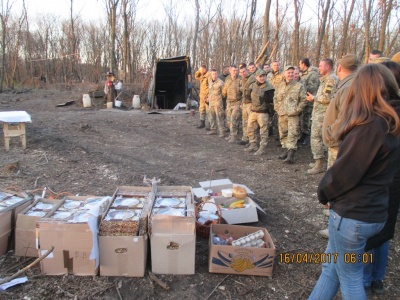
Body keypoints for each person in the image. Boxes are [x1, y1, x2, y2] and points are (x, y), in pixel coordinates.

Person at [308, 63, 400, 300]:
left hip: (354, 217)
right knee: (331, 269)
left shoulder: (371, 126)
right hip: (374, 210)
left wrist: (325, 193)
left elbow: (344, 174)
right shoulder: (392, 121)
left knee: (350, 277)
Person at [363, 61, 400, 295]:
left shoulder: (379, 117)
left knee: (369, 232)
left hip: (380, 182)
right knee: (384, 230)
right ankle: (377, 278)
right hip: (394, 182)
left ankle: (366, 279)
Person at [319, 54, 360, 238]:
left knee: (338, 182)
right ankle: (334, 211)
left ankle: (336, 224)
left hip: (339, 142)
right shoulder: (351, 84)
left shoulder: (349, 86)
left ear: (340, 68)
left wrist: (330, 134)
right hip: (339, 141)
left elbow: (344, 118)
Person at [306, 59, 339, 174]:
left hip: (323, 115)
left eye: (320, 66)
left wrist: (313, 98)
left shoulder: (331, 80)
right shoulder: (326, 79)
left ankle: (320, 163)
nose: (318, 68)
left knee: (317, 137)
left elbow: (327, 98)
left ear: (328, 67)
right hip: (320, 113)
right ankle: (319, 161)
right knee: (318, 138)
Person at [274, 66, 307, 163]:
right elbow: (275, 98)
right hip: (282, 114)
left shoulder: (299, 86)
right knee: (283, 133)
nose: (290, 74)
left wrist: (298, 110)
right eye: (288, 72)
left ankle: (291, 155)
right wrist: (277, 108)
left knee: (292, 133)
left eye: (292, 72)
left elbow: (304, 100)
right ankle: (286, 150)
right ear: (284, 73)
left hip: (293, 115)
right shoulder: (280, 86)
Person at [244, 69, 275, 155]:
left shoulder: (269, 87)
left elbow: (271, 100)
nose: (262, 78)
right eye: (260, 76)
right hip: (253, 110)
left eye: (263, 76)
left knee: (263, 131)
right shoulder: (253, 85)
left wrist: (265, 98)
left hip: (263, 112)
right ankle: (253, 144)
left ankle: (262, 147)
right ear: (256, 77)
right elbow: (248, 94)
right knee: (250, 128)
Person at [299, 58, 320, 145]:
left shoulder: (312, 74)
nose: (299, 66)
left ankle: (305, 136)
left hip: (309, 100)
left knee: (306, 119)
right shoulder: (304, 73)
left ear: (303, 64)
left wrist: (302, 91)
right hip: (304, 99)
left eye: (300, 64)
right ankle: (302, 135)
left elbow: (312, 88)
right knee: (303, 118)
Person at [222, 65, 242, 143]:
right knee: (229, 120)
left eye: (236, 70)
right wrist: (223, 95)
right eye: (234, 70)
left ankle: (234, 136)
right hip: (229, 102)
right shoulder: (227, 79)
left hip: (237, 102)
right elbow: (224, 89)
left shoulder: (240, 79)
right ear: (230, 71)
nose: (235, 72)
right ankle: (231, 134)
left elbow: (244, 91)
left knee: (234, 118)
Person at [206, 69, 225, 137]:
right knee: (211, 116)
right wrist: (208, 98)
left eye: (216, 74)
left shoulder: (221, 83)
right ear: (211, 75)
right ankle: (213, 129)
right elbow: (210, 91)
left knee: (219, 117)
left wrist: (220, 99)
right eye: (213, 74)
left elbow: (224, 94)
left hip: (218, 102)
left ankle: (222, 131)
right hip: (211, 102)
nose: (214, 75)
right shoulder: (210, 82)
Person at [238, 66, 252, 146]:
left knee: (250, 123)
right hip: (244, 103)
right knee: (244, 121)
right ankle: (245, 138)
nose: (243, 73)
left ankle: (251, 140)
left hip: (250, 103)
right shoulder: (242, 80)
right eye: (241, 72)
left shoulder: (252, 78)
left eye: (244, 71)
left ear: (247, 71)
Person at [194, 65, 210, 129]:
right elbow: (196, 77)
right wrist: (199, 71)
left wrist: (209, 97)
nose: (200, 71)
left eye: (201, 70)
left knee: (208, 111)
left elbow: (211, 87)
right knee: (202, 110)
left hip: (207, 97)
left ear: (204, 69)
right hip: (202, 96)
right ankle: (202, 123)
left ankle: (210, 125)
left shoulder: (208, 76)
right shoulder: (202, 76)